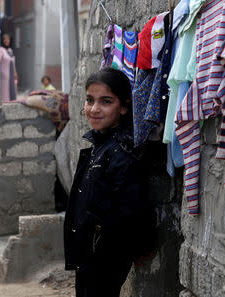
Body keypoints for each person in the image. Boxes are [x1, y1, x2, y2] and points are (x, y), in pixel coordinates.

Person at [64, 67, 156, 297]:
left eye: (105, 101)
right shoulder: (100, 147)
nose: (94, 109)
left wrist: (139, 244)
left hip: (105, 256)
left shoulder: (121, 153)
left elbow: (133, 208)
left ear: (124, 107)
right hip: (88, 252)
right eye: (89, 100)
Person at [0, 33, 18, 103]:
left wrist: (15, 72)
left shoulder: (10, 50)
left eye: (8, 39)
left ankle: (11, 102)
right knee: (5, 91)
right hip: (4, 75)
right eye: (5, 39)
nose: (7, 41)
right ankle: (5, 104)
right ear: (2, 40)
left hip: (11, 74)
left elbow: (13, 62)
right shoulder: (1, 50)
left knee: (12, 89)